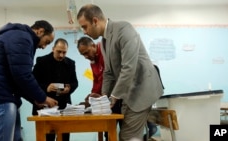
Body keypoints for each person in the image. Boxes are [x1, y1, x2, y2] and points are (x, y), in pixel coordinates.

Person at [77, 4, 164, 141]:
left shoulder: (124, 29)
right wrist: (104, 97)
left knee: (127, 137)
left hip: (142, 90)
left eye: (84, 26)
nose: (84, 31)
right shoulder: (104, 41)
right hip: (129, 92)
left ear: (95, 21)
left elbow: (129, 67)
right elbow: (108, 73)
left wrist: (113, 97)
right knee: (123, 136)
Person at [0, 20, 58, 141]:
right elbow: (22, 75)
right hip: (1, 98)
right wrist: (43, 98)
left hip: (4, 96)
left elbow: (16, 78)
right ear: (40, 31)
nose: (44, 47)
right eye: (46, 42)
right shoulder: (22, 38)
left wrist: (35, 99)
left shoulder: (16, 36)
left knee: (16, 138)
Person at [32, 38, 78, 141]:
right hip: (45, 106)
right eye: (59, 52)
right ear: (53, 49)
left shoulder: (70, 63)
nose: (61, 55)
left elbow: (75, 82)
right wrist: (46, 88)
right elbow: (33, 82)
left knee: (65, 138)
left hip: (64, 107)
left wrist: (69, 88)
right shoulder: (41, 61)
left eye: (64, 52)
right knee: (48, 138)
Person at [77, 36, 122, 141]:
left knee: (123, 131)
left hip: (118, 96)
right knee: (108, 132)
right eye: (83, 54)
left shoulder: (104, 53)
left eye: (87, 52)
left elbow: (108, 77)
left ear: (93, 45)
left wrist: (100, 95)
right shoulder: (93, 60)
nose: (86, 56)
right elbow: (96, 80)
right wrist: (92, 95)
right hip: (107, 99)